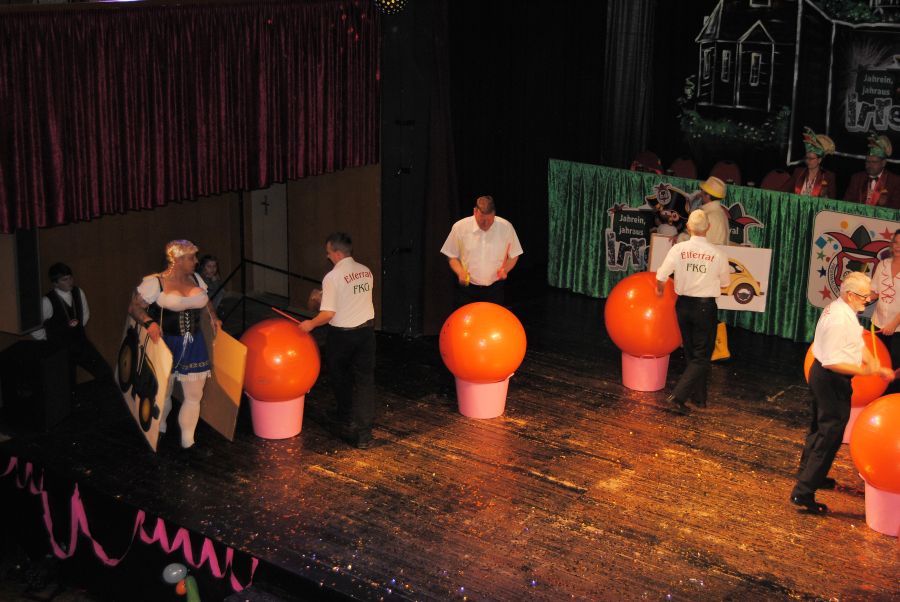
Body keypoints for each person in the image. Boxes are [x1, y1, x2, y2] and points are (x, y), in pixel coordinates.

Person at [790, 271, 894, 514]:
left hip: (821, 375)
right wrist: (866, 371)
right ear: (849, 294)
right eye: (863, 296)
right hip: (830, 379)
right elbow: (833, 363)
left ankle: (810, 474)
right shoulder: (840, 319)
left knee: (818, 427)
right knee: (830, 435)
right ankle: (803, 492)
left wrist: (873, 363)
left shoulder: (841, 309)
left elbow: (856, 338)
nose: (867, 300)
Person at [129, 240, 221, 449]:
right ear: (178, 260)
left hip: (194, 343)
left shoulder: (196, 278)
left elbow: (206, 301)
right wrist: (149, 322)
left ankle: (188, 440)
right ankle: (160, 425)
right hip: (167, 343)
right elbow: (134, 308)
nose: (196, 262)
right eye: (191, 258)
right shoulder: (156, 282)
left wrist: (214, 317)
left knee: (194, 395)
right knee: (165, 390)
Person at [300, 232, 375, 449]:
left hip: (342, 336)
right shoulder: (366, 271)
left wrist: (310, 324)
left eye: (329, 252)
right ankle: (364, 434)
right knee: (365, 382)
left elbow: (328, 314)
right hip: (367, 334)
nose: (327, 256)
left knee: (339, 376)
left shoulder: (332, 277)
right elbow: (352, 298)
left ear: (338, 253)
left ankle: (345, 414)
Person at [655, 210, 730, 415]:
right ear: (708, 228)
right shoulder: (717, 254)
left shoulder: (678, 249)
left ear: (688, 227)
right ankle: (678, 396)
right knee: (702, 356)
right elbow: (725, 283)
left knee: (692, 354)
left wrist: (660, 289)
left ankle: (699, 398)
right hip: (705, 307)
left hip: (683, 306)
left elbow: (661, 275)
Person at [31, 262, 114, 391]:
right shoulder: (47, 301)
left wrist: (76, 330)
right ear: (55, 283)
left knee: (105, 372)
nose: (70, 282)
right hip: (61, 350)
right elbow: (35, 327)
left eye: (70, 278)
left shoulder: (78, 292)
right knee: (68, 387)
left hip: (80, 343)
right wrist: (49, 339)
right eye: (64, 280)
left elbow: (85, 315)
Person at [440, 195, 523, 307]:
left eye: (489, 220)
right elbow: (451, 255)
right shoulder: (460, 227)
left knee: (492, 317)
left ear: (494, 214)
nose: (486, 224)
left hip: (494, 290)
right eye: (482, 220)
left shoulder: (506, 227)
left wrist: (505, 269)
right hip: (467, 290)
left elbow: (514, 254)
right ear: (475, 212)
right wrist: (460, 272)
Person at [869, 229, 900, 395]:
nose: (898, 246)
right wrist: (859, 298)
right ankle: (876, 396)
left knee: (895, 367)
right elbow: (875, 292)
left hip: (898, 329)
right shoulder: (883, 265)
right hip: (878, 323)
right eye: (896, 242)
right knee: (878, 363)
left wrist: (894, 323)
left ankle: (892, 400)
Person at [843, 133, 900, 208]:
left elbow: (897, 208)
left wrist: (884, 204)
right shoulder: (856, 178)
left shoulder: (895, 181)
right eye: (867, 161)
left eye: (874, 162)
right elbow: (846, 203)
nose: (869, 165)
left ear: (883, 163)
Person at [784, 127, 837, 199]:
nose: (807, 161)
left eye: (811, 158)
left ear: (819, 160)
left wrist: (825, 196)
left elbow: (833, 200)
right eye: (806, 158)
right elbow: (783, 191)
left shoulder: (828, 176)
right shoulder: (798, 172)